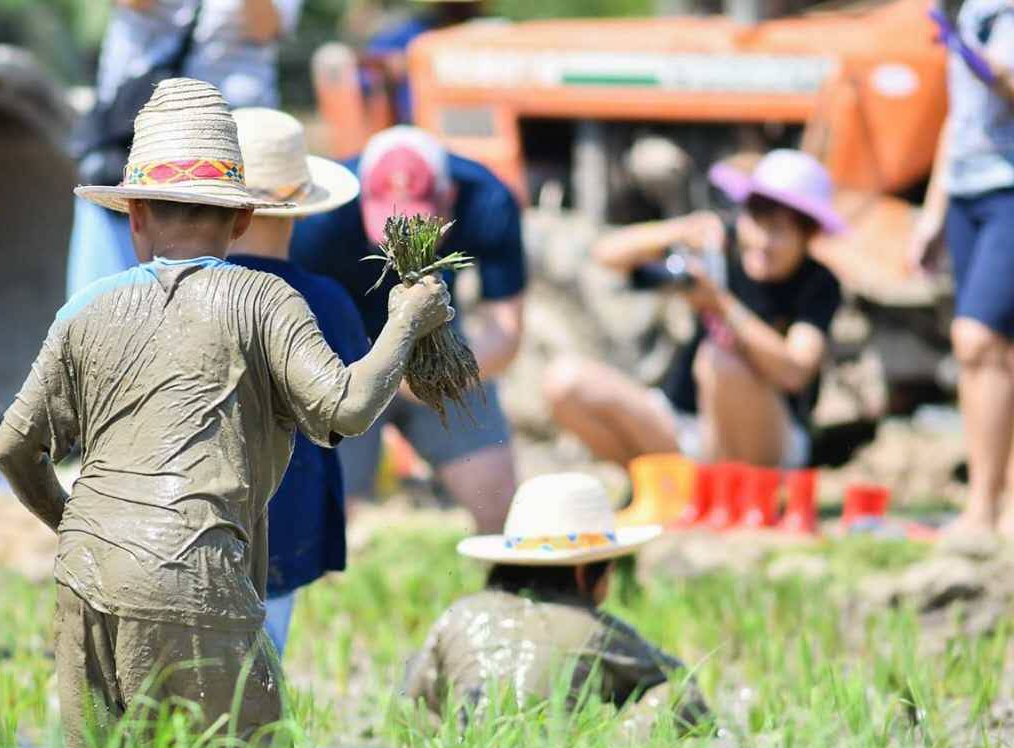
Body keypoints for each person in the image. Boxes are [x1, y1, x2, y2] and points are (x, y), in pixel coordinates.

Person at [0, 79, 453, 748]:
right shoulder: (264, 298)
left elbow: (12, 447)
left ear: (134, 216)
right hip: (198, 566)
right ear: (242, 220)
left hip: (86, 569)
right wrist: (407, 322)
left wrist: (75, 524)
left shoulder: (85, 309)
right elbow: (348, 408)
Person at [544, 150, 845, 470]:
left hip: (767, 438)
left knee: (720, 361)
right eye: (756, 222)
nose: (762, 241)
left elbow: (795, 371)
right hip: (682, 424)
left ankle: (728, 489)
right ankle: (665, 487)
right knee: (566, 381)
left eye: (778, 230)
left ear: (808, 235)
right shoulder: (720, 247)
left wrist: (721, 305)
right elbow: (605, 256)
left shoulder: (818, 283)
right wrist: (680, 230)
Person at [291, 125, 522, 534]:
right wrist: (378, 371)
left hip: (438, 350)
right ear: (363, 196)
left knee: (496, 498)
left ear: (448, 197)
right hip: (342, 361)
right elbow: (292, 327)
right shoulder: (321, 213)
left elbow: (506, 333)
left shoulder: (487, 198)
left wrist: (443, 374)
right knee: (321, 516)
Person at [405, 472, 711, 731]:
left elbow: (411, 707)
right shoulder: (595, 630)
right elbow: (681, 685)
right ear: (584, 572)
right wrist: (626, 738)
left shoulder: (458, 617)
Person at [227, 106, 366, 655]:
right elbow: (346, 412)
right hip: (284, 524)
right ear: (302, 210)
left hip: (185, 522)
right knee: (260, 669)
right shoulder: (326, 300)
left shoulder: (182, 293)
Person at [66, 0, 303, 300]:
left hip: (230, 146)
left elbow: (266, 27)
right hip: (136, 135)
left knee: (227, 302)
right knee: (101, 300)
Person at [910, 0, 1014, 538]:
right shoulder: (971, 8)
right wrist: (933, 213)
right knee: (991, 351)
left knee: (977, 339)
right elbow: (959, 117)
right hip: (968, 190)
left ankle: (985, 509)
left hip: (1009, 188)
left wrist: (977, 59)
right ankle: (992, 504)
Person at [364, 0, 486, 123]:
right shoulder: (406, 35)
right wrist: (389, 67)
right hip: (418, 124)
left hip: (478, 121)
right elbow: (367, 73)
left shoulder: (491, 35)